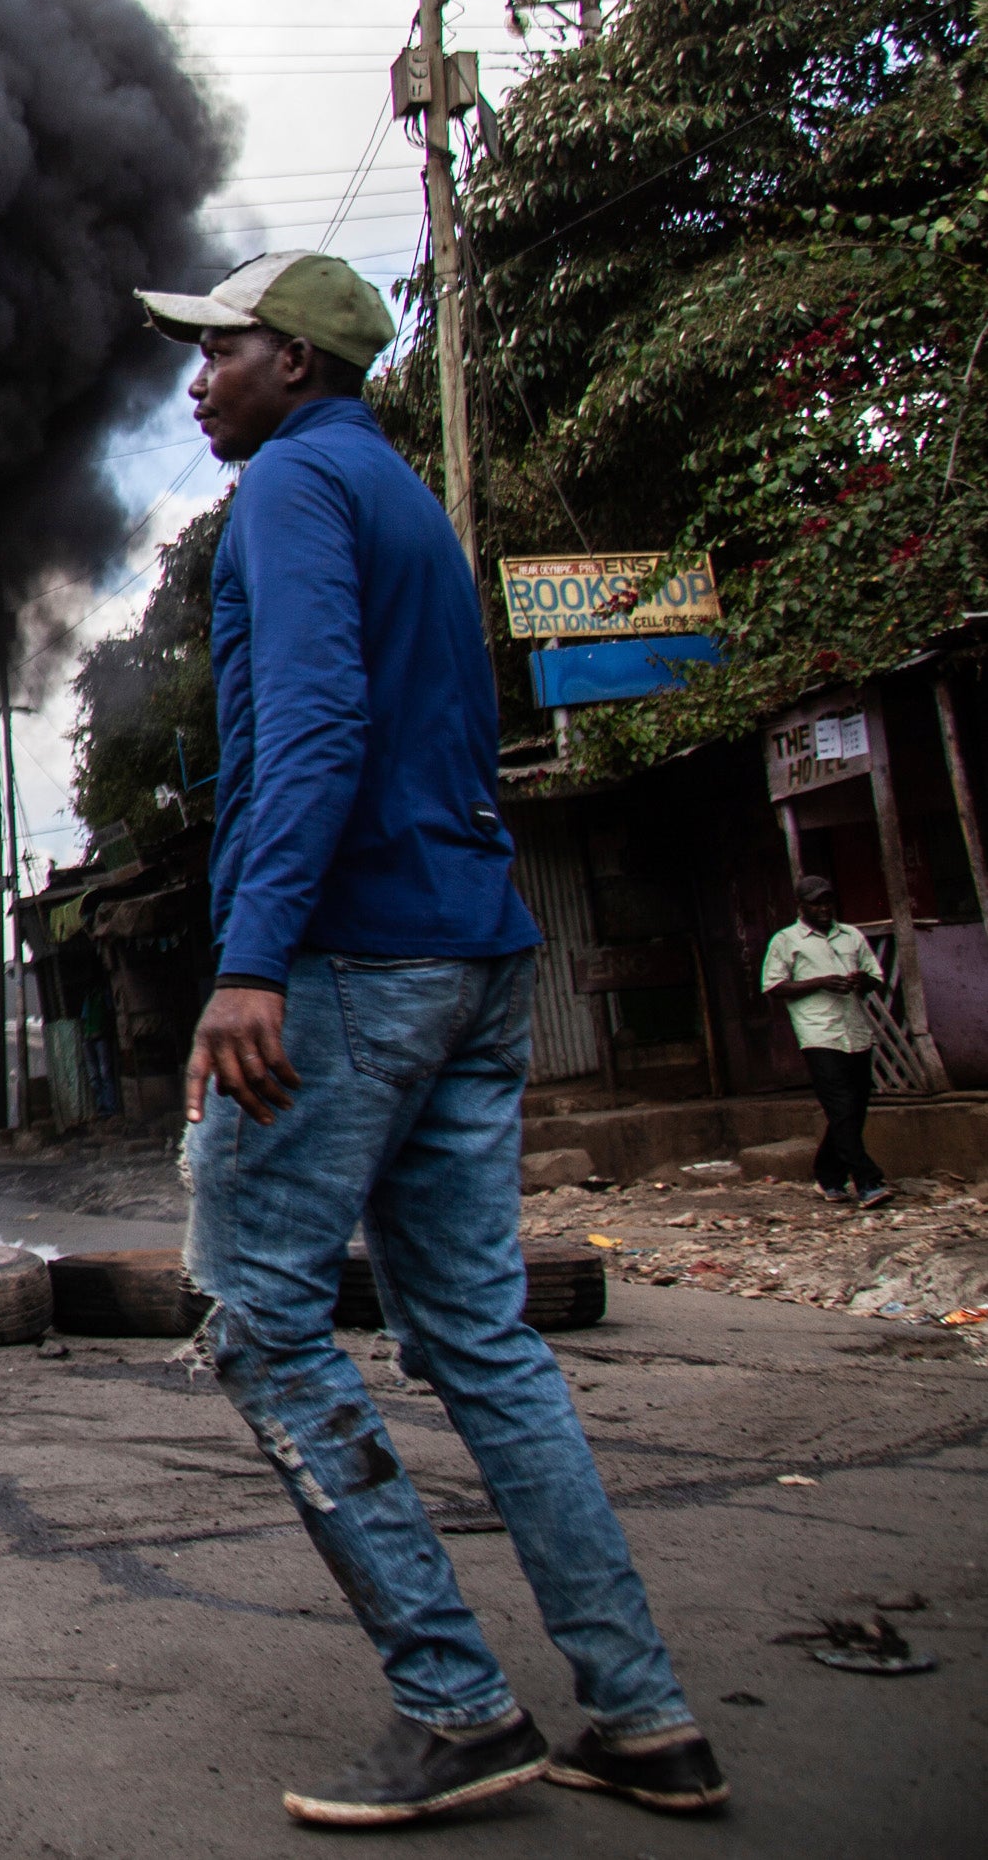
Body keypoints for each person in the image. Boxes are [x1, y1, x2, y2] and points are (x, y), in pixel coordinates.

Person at [147, 251, 723, 1826]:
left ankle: (454, 1702)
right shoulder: (403, 502)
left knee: (257, 1315)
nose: (198, 380)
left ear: (302, 368)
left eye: (223, 350)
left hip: (349, 960)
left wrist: (252, 959)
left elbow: (316, 726)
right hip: (475, 952)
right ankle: (643, 1713)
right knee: (477, 1334)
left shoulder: (287, 491)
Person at [761, 876, 893, 1207]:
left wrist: (863, 981)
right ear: (801, 906)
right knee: (841, 1107)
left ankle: (828, 1176)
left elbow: (874, 976)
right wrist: (820, 983)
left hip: (856, 1031)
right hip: (818, 1033)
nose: (824, 909)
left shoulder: (850, 935)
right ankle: (868, 1182)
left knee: (853, 1110)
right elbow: (774, 986)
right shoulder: (786, 940)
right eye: (817, 903)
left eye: (828, 902)